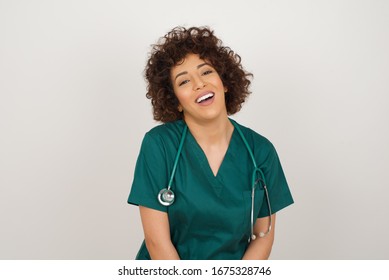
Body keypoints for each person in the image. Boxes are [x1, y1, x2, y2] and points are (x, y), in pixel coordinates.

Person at [127, 26, 294, 260]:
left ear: (224, 82)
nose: (199, 84)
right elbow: (157, 242)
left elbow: (263, 236)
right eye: (183, 81)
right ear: (175, 101)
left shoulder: (260, 151)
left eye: (206, 72)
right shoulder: (159, 145)